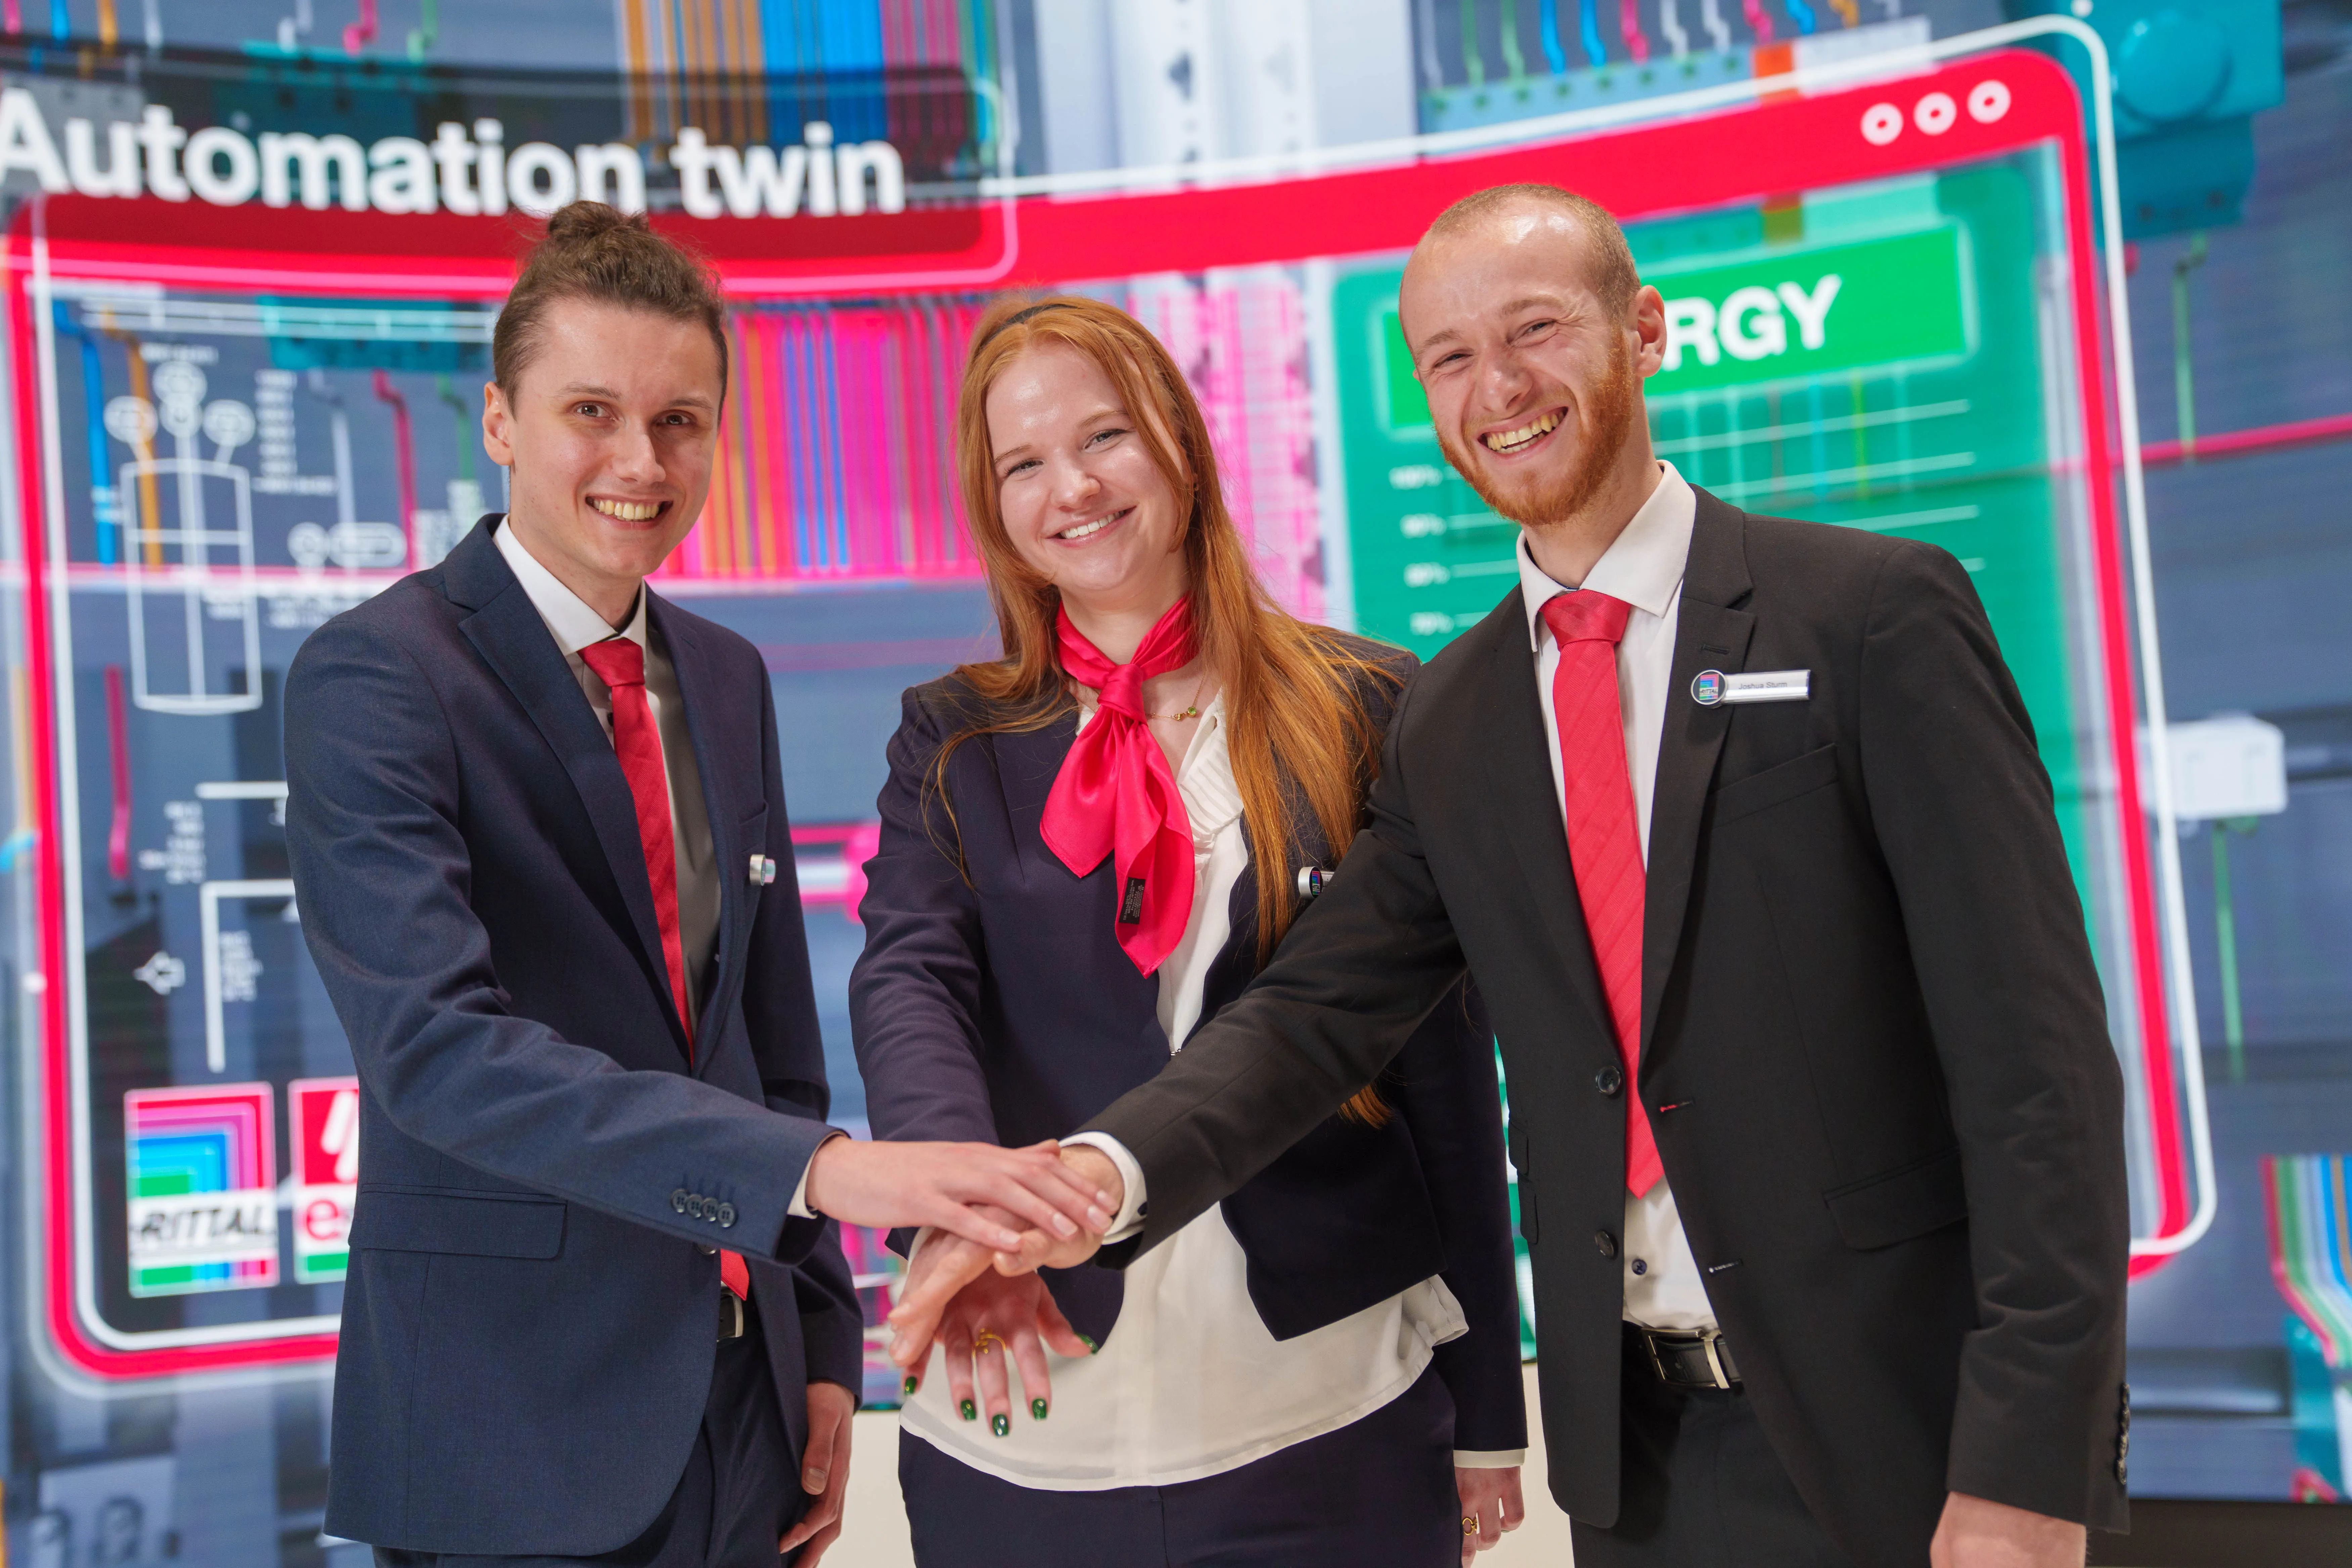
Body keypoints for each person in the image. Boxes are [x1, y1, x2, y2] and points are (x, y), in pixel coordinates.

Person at [894, 186, 2131, 1568]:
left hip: (1906, 1435)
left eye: (1533, 330)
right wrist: (1089, 1184)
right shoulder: (1458, 714)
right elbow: (1316, 1016)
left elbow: (2035, 1072)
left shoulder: (1868, 615)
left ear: (1642, 331)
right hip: (1642, 1463)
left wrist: (2029, 1458)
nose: (1501, 389)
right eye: (1450, 358)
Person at [284, 203, 1112, 1568]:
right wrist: (828, 1175)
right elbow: (437, 1053)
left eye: (681, 421)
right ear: (496, 421)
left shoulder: (723, 678)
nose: (639, 460)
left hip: (748, 1405)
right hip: (517, 1430)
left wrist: (826, 1343)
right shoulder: (379, 676)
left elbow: (769, 1046)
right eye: (590, 411)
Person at [851, 294, 1529, 1567]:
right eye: (1024, 463)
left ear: (1178, 439)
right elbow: (910, 982)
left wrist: (1490, 1410)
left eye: (1103, 436)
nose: (1073, 487)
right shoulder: (950, 736)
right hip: (1029, 1419)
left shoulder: (1369, 704)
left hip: (1324, 1414)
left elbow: (1441, 1073)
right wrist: (963, 1215)